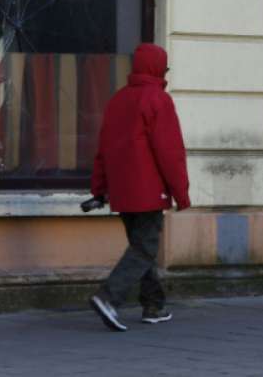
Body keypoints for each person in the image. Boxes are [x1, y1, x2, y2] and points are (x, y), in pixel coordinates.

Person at [88, 43, 191, 332]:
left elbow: (103, 150)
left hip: (122, 191)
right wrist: (181, 193)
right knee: (145, 249)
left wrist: (99, 189)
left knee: (141, 247)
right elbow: (170, 152)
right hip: (149, 191)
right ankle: (108, 298)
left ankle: (154, 306)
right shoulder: (158, 100)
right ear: (158, 68)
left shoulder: (118, 100)